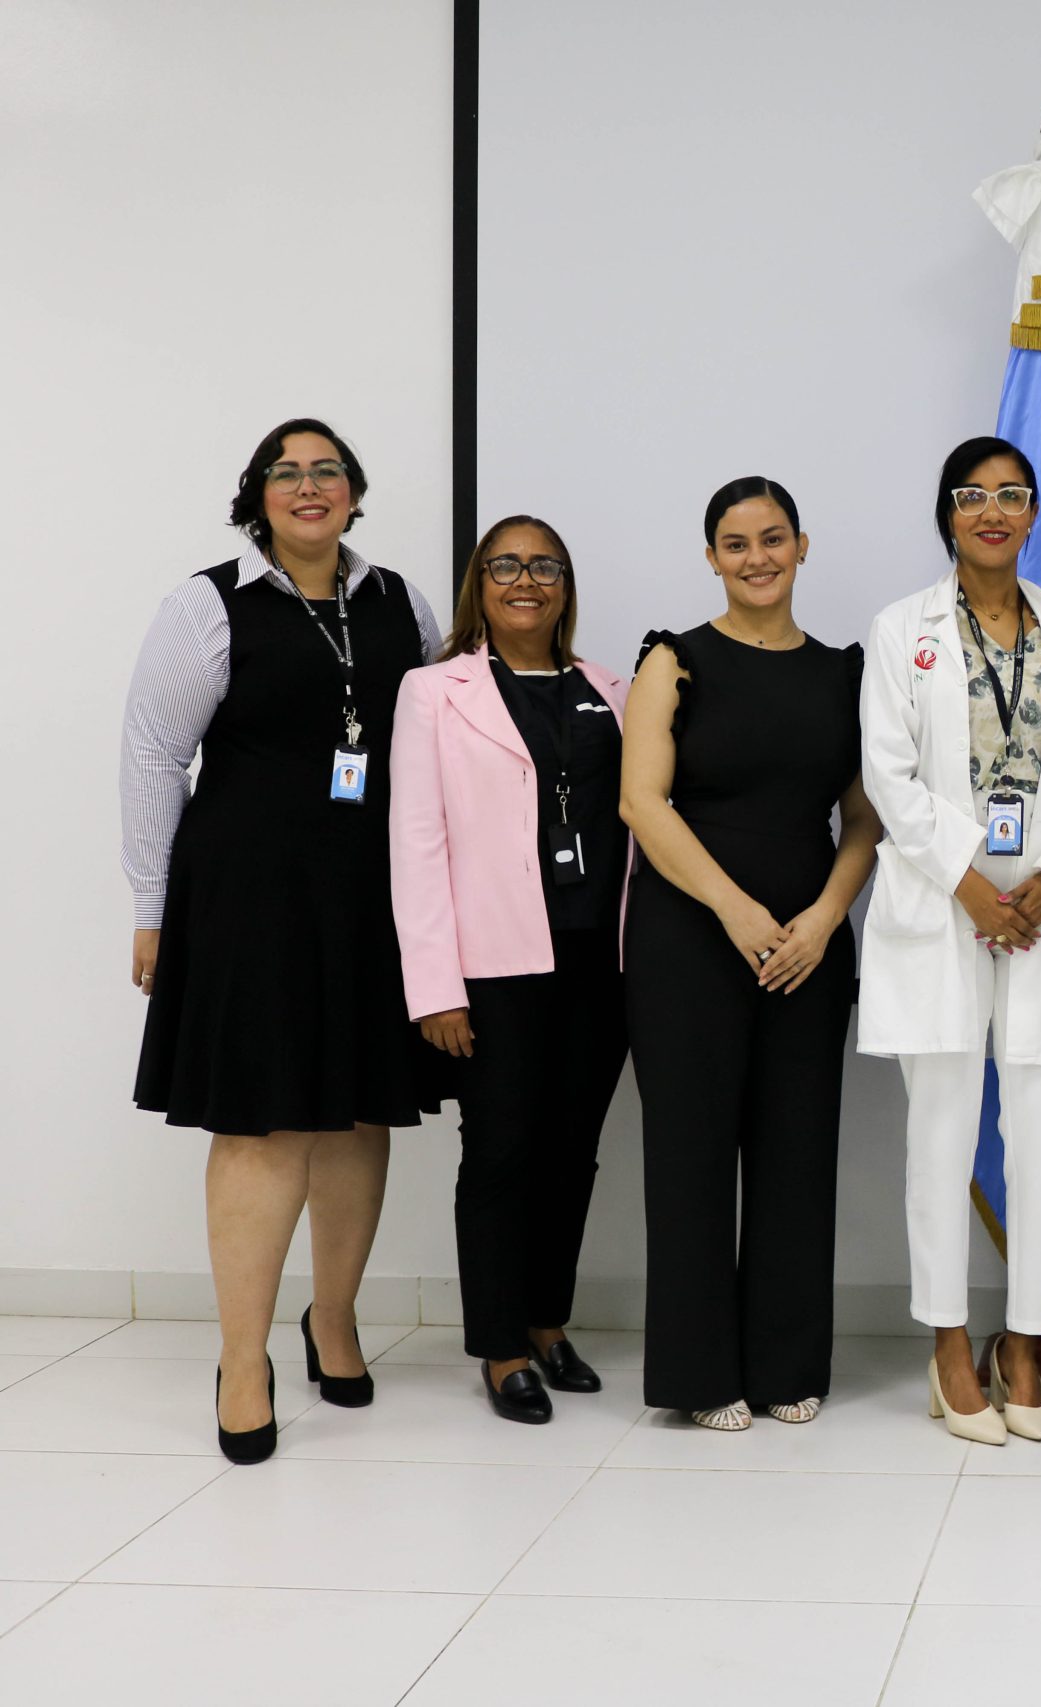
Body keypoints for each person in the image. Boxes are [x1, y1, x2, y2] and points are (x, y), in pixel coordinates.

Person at [121, 418, 444, 1463]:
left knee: (355, 1112)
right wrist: (150, 908)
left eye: (329, 471)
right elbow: (150, 760)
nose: (309, 487)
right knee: (263, 1124)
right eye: (286, 473)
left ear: (355, 491)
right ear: (256, 494)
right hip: (246, 899)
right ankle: (245, 1358)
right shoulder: (204, 606)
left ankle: (335, 1318)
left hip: (371, 898)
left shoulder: (401, 601)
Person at [859, 437, 1041, 1445]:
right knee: (942, 1135)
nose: (992, 511)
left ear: (1035, 512)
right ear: (947, 513)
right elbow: (889, 775)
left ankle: (1023, 1341)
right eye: (973, 496)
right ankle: (950, 1342)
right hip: (942, 910)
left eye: (1012, 495)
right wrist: (971, 885)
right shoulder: (898, 630)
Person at [620, 476, 880, 1431]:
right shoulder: (673, 659)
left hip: (808, 943)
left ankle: (783, 1362)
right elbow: (642, 803)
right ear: (711, 557)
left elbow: (862, 816)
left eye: (774, 539)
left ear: (802, 547)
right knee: (689, 1155)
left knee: (797, 1151)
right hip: (690, 935)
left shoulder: (845, 671)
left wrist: (823, 916)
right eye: (736, 543)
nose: (757, 557)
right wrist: (735, 909)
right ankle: (697, 1374)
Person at [391, 517, 629, 1425]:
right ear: (478, 583)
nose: (526, 579)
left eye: (545, 566)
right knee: (500, 1150)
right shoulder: (433, 691)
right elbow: (415, 842)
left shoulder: (609, 689)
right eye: (506, 565)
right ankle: (497, 1344)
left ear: (567, 584)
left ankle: (545, 1321)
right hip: (492, 965)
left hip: (596, 963)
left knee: (573, 1152)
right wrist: (435, 984)